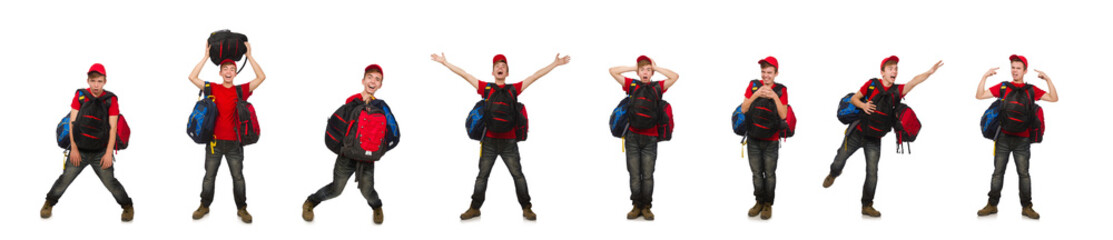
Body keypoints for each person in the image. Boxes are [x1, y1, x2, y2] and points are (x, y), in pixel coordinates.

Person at [431, 52, 570, 220]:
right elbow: (465, 75)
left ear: (507, 73)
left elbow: (534, 77)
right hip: (488, 141)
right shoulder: (486, 88)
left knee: (518, 175)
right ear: (493, 72)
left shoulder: (513, 89)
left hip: (509, 142)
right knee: (482, 176)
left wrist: (555, 64)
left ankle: (527, 208)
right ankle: (475, 208)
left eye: (503, 66)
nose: (500, 67)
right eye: (497, 66)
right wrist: (445, 63)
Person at [822, 55, 943, 217]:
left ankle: (867, 205)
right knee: (839, 160)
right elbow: (854, 98)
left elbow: (914, 81)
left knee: (872, 173)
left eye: (896, 69)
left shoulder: (896, 91)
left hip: (874, 139)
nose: (895, 71)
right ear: (883, 72)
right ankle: (834, 173)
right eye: (891, 68)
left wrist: (930, 72)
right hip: (857, 133)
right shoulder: (872, 84)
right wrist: (863, 105)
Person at [41, 63, 135, 222]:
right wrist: (74, 149)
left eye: (99, 81)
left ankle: (127, 206)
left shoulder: (111, 100)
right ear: (88, 81)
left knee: (110, 182)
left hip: (101, 152)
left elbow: (113, 129)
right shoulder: (80, 96)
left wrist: (107, 154)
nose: (96, 85)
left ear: (105, 81)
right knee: (65, 179)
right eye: (93, 81)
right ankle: (49, 202)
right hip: (80, 150)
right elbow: (72, 123)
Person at [187, 41, 266, 223]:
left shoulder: (241, 91)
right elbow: (192, 77)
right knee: (209, 177)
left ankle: (242, 208)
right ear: (220, 72)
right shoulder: (212, 88)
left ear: (235, 73)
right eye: (225, 69)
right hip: (214, 143)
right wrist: (206, 57)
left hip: (234, 145)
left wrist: (249, 56)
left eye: (232, 69)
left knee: (238, 178)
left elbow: (261, 77)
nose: (228, 72)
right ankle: (204, 205)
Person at [302, 64, 391, 224]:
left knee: (367, 190)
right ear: (363, 80)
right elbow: (344, 125)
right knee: (336, 189)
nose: (373, 81)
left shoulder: (380, 106)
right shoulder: (353, 100)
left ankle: (377, 207)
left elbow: (385, 131)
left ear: (380, 85)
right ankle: (311, 202)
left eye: (377, 79)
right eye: (370, 77)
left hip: (367, 157)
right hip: (347, 156)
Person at [973, 54, 1058, 219]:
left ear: (1025, 71)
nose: (1015, 71)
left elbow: (1054, 98)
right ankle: (992, 205)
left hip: (1023, 139)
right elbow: (979, 95)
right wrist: (984, 76)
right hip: (1003, 137)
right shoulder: (1004, 87)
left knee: (1024, 174)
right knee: (998, 172)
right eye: (1013, 67)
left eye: (1018, 68)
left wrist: (1047, 79)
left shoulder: (1031, 90)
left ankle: (1027, 207)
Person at [608, 55, 679, 220]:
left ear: (652, 72)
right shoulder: (632, 85)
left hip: (650, 139)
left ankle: (646, 207)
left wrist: (656, 67)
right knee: (634, 174)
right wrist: (634, 68)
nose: (645, 72)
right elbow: (612, 71)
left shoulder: (657, 87)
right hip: (632, 137)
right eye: (643, 70)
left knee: (647, 175)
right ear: (639, 72)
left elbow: (675, 77)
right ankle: (636, 206)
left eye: (648, 70)